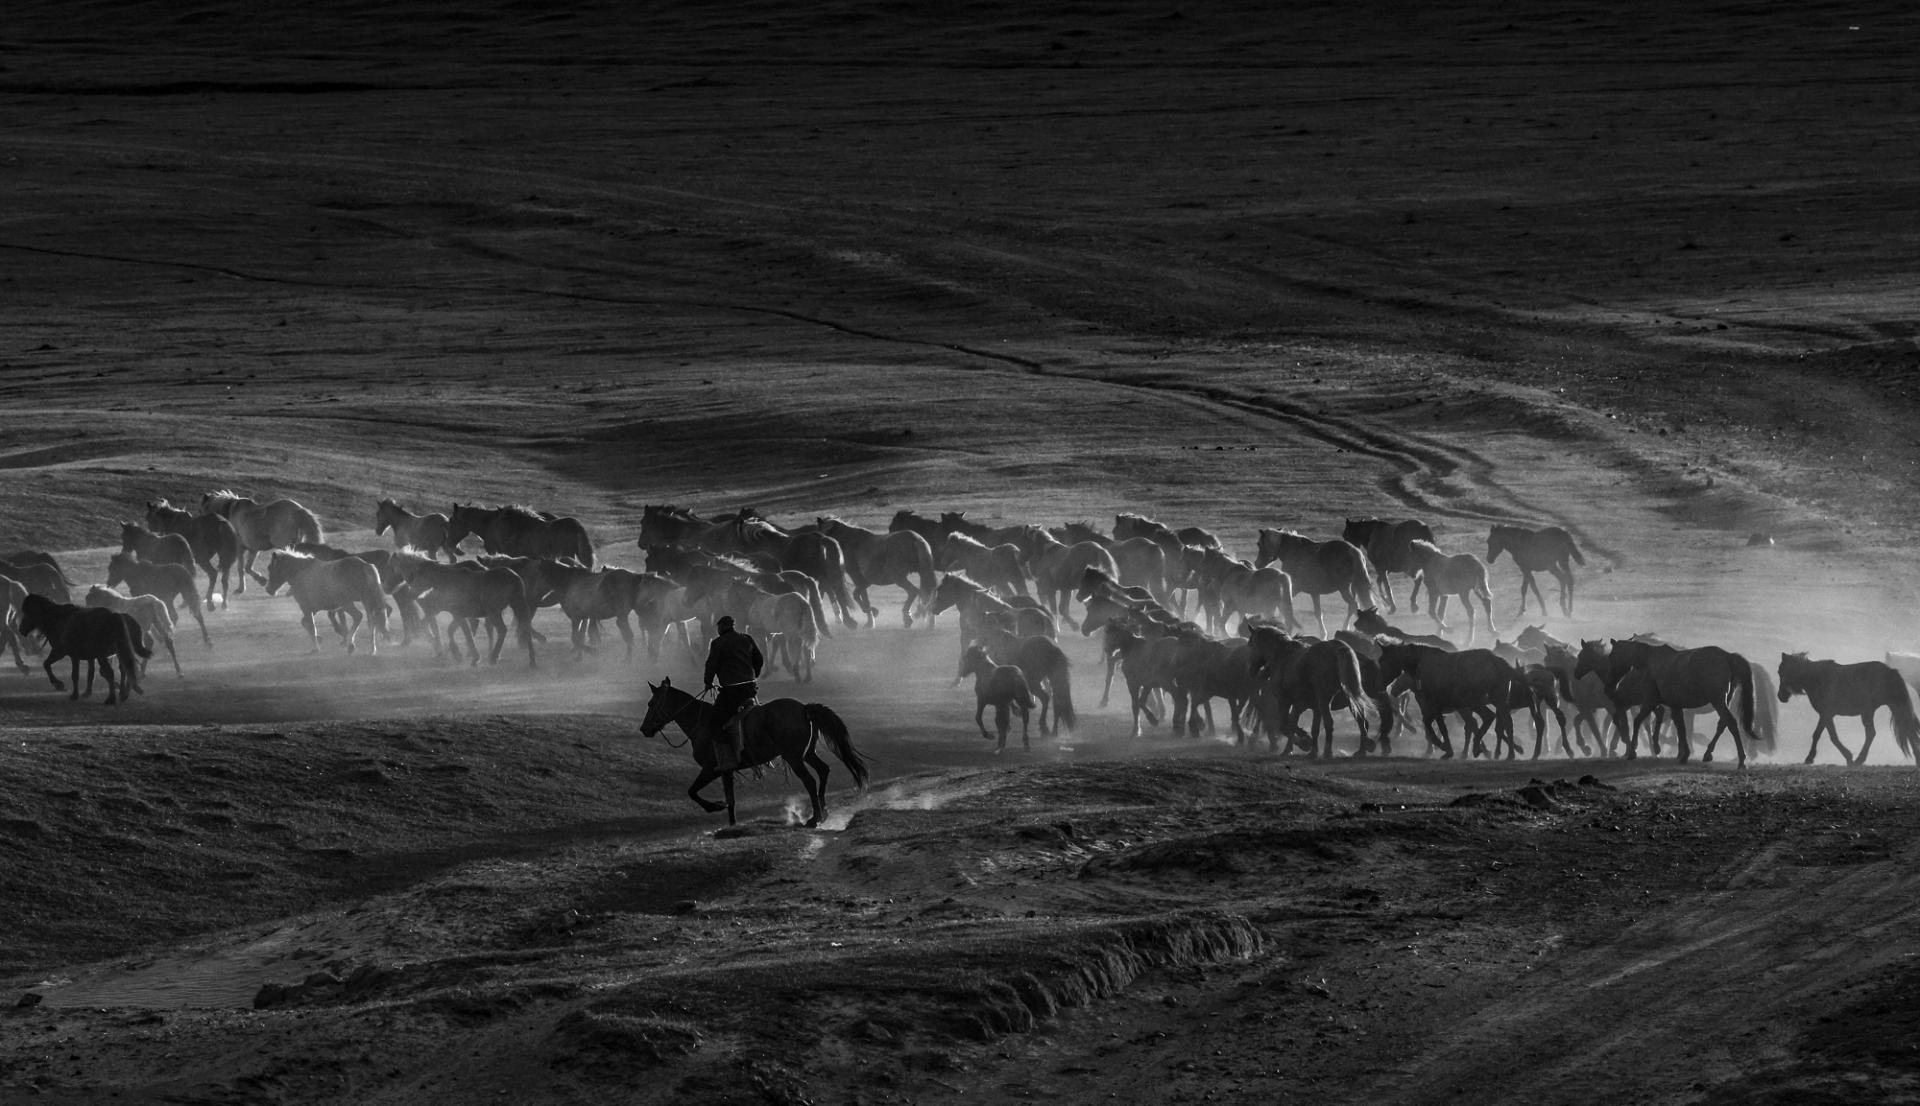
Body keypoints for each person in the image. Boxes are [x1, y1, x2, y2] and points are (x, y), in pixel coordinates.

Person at [702, 614, 764, 771]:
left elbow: (712, 664)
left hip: (732, 691)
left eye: (718, 627)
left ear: (721, 627)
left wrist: (708, 682)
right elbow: (759, 659)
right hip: (751, 688)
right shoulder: (746, 639)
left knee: (714, 722)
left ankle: (729, 759)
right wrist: (753, 675)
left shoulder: (718, 643)